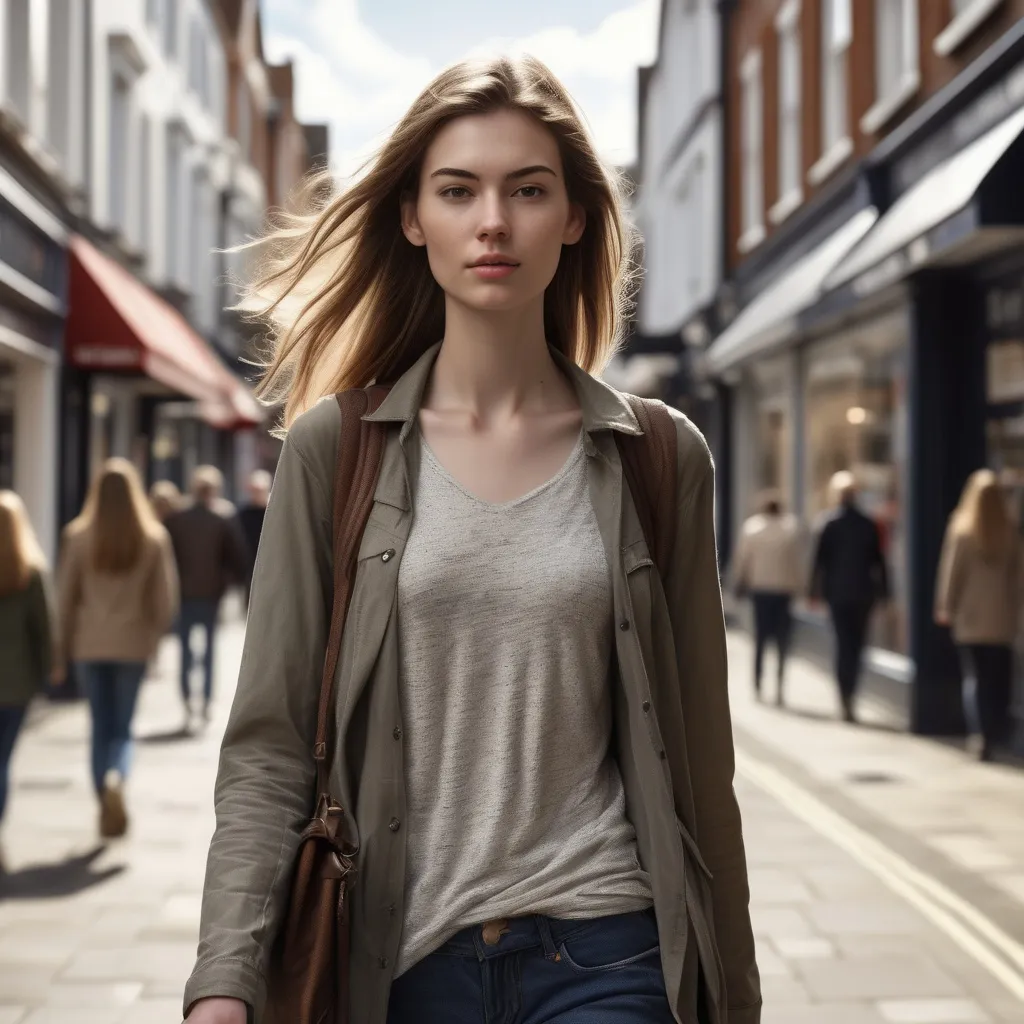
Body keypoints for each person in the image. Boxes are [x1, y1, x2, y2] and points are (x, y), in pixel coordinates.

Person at [182, 56, 760, 1024]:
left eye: (528, 190)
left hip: (606, 946)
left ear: (573, 215)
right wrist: (223, 979)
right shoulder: (336, 450)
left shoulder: (658, 456)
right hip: (399, 961)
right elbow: (270, 745)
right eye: (458, 190)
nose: (493, 221)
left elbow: (702, 771)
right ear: (414, 218)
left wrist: (732, 998)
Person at [56, 459, 178, 838]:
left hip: (89, 645)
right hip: (132, 645)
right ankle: (117, 778)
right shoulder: (153, 537)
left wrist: (60, 651)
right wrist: (155, 640)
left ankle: (101, 796)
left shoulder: (77, 535)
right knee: (123, 729)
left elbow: (64, 600)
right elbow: (166, 600)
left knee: (99, 725)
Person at [935, 469, 1023, 761]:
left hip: (971, 619)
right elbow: (1018, 579)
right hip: (1002, 618)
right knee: (999, 680)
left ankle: (981, 735)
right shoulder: (1009, 530)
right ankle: (997, 731)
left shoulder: (962, 529)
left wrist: (946, 606)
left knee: (976, 679)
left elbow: (952, 573)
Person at [164, 466, 248, 724]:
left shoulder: (177, 518)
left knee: (186, 651)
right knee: (209, 650)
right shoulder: (222, 517)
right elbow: (237, 558)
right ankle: (206, 701)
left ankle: (189, 699)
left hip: (185, 593)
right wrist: (229, 583)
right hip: (211, 594)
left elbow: (169, 557)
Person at [809, 470, 889, 723]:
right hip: (863, 594)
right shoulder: (868, 524)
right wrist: (886, 593)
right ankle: (850, 694)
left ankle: (845, 696)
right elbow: (880, 562)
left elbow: (818, 563)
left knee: (844, 645)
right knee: (856, 646)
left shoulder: (829, 523)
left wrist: (814, 592)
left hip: (839, 594)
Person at [0, 491, 54, 863]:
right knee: (2, 762)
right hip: (15, 684)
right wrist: (50, 670)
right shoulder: (29, 572)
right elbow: (43, 628)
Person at [732, 491, 806, 705]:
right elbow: (797, 562)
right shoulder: (790, 529)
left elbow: (742, 559)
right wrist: (800, 587)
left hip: (761, 590)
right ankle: (780, 684)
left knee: (761, 639)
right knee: (783, 640)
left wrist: (740, 581)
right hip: (784, 591)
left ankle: (757, 681)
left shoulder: (752, 528)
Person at [235, 469, 272, 604]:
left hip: (272, 564)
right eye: (253, 490)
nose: (256, 494)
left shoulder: (275, 510)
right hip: (251, 565)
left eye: (259, 490)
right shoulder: (244, 513)